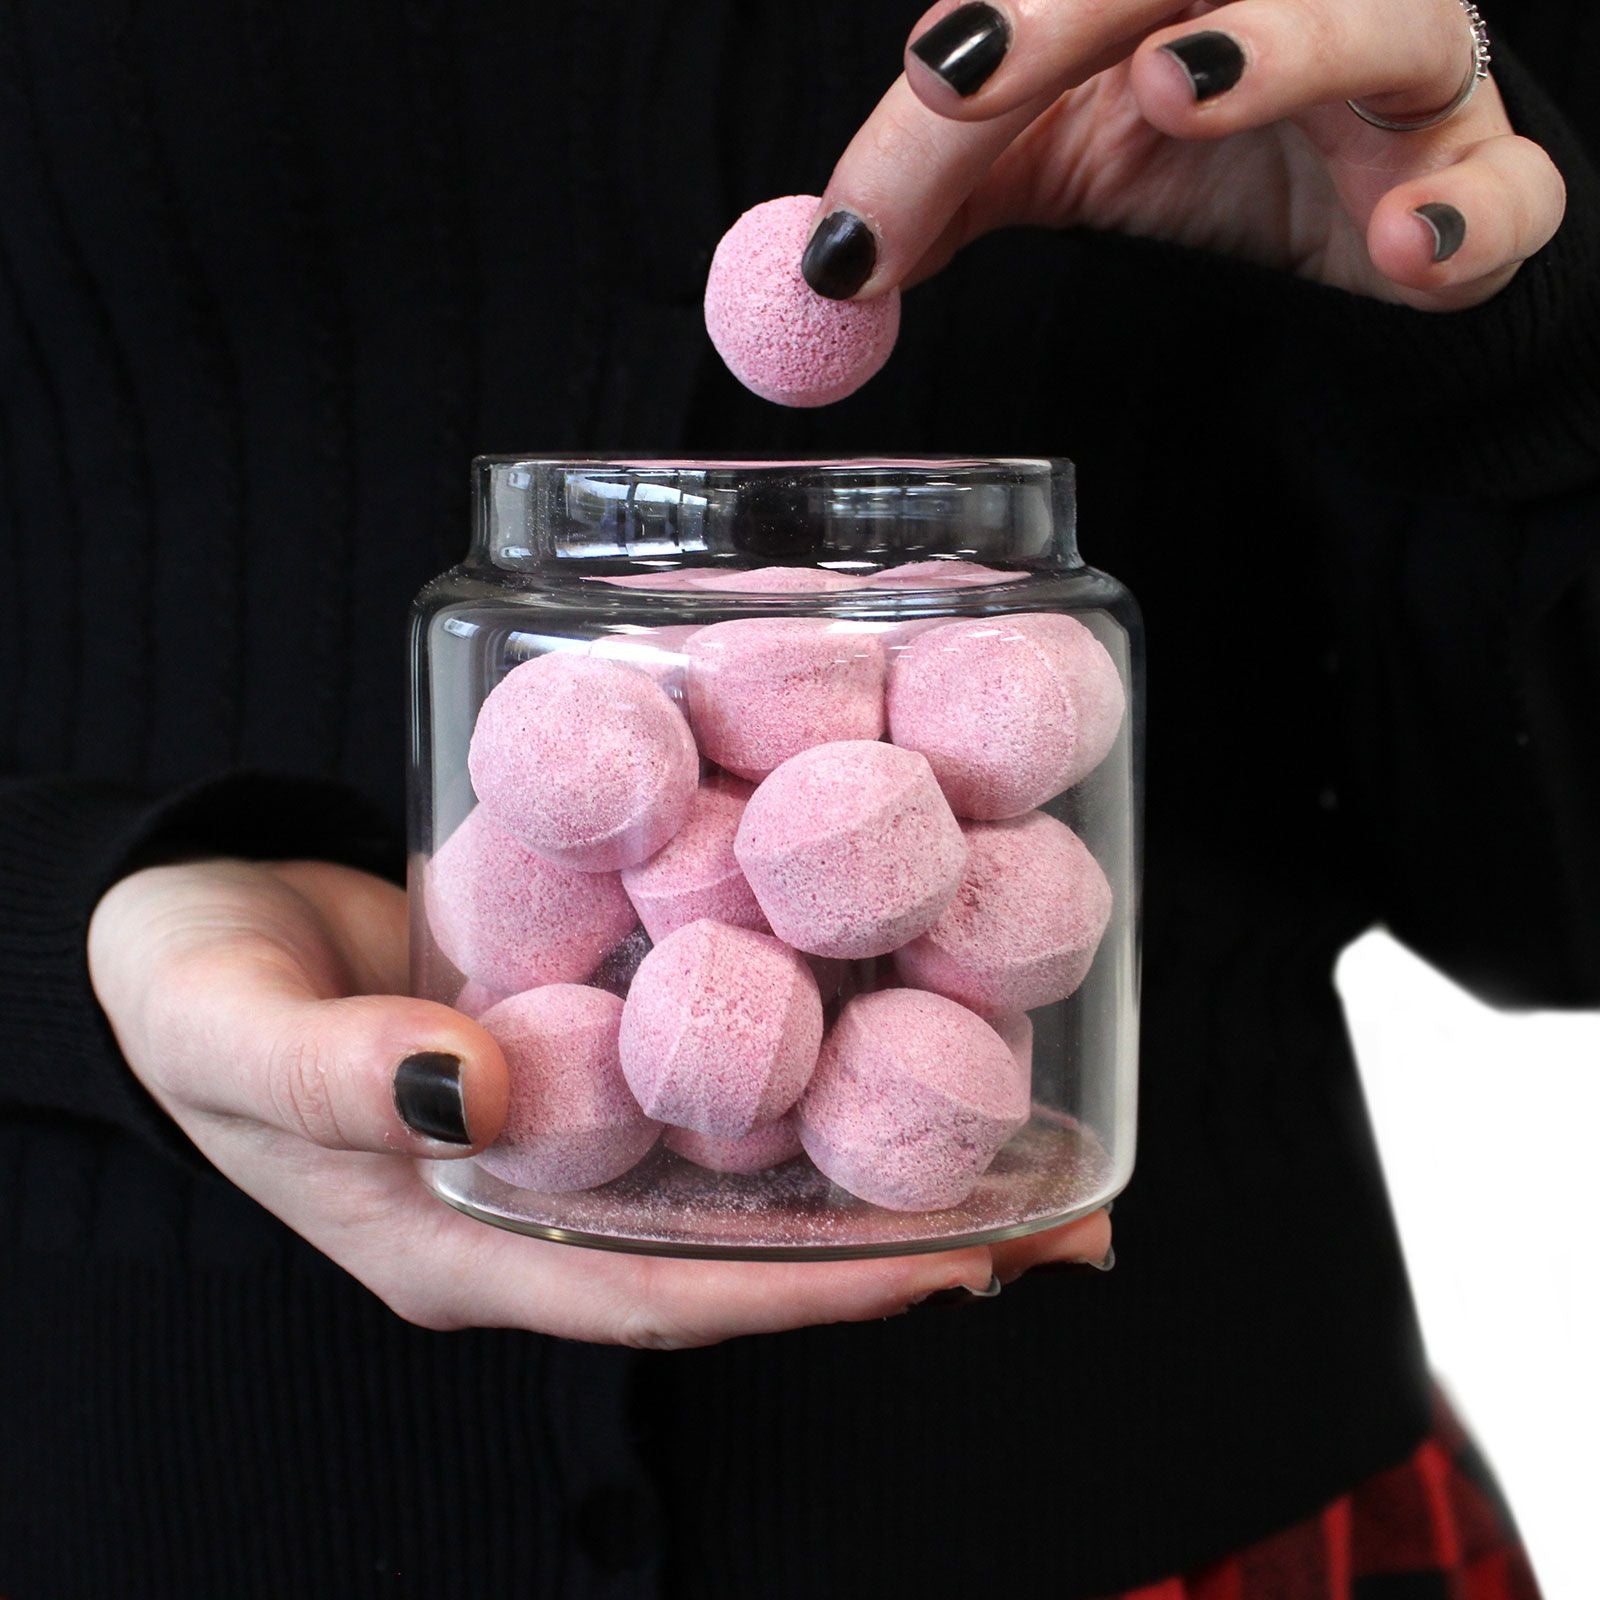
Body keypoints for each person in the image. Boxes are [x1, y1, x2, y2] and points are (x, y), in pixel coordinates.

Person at [1, 0, 1592, 1594]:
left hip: (1168, 1470)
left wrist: (1506, 355)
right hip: (136, 1477)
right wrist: (67, 921)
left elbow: (1561, 919)